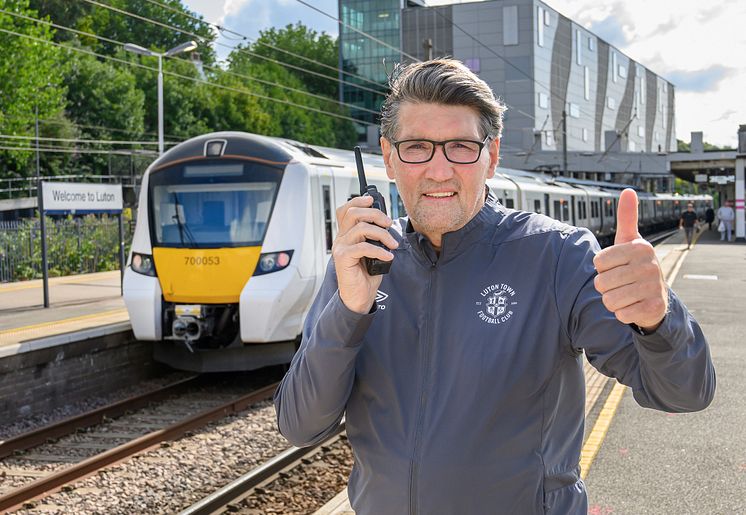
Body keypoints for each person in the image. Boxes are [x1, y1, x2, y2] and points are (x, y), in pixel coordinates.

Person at [274, 59, 715, 514]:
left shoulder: (556, 254)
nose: (439, 170)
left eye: (462, 147)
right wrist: (349, 311)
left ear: (492, 156)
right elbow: (299, 425)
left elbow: (684, 391)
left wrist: (658, 319)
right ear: (388, 157)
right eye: (417, 147)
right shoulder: (361, 263)